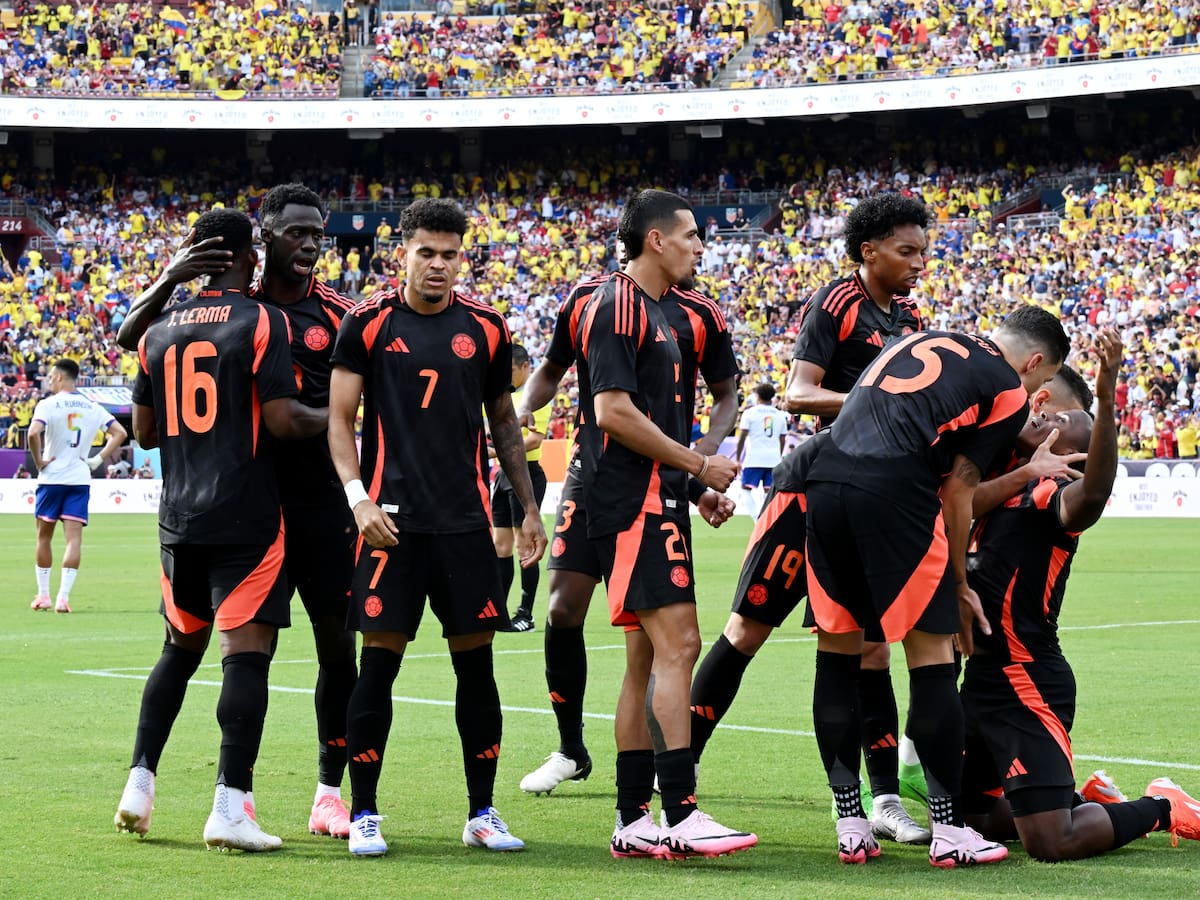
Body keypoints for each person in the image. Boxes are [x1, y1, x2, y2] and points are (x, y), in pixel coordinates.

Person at [117, 184, 361, 841]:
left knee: (336, 650)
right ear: (263, 241)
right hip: (254, 514)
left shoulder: (340, 315)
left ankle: (327, 794)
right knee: (244, 656)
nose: (310, 244)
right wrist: (342, 419)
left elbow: (142, 394)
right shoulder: (250, 315)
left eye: (319, 234)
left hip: (316, 510)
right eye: (296, 233)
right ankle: (234, 802)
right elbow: (279, 418)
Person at [693, 194, 933, 846]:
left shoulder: (910, 316)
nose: (919, 262)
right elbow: (798, 392)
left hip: (874, 499)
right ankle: (679, 774)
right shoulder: (836, 303)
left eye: (922, 250)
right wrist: (878, 402)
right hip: (809, 489)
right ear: (868, 252)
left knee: (875, 649)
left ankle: (884, 799)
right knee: (745, 632)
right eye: (907, 251)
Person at [804, 305, 1069, 868]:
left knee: (837, 657)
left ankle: (851, 825)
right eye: (1041, 381)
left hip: (824, 483)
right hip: (897, 496)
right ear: (1034, 363)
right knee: (932, 662)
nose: (1034, 394)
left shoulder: (923, 339)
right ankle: (950, 831)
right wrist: (958, 582)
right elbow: (957, 491)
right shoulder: (1007, 387)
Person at [327, 198, 548, 858]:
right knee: (378, 667)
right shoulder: (368, 322)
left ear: (462, 259)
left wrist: (529, 508)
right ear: (404, 253)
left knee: (476, 670)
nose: (439, 265)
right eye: (427, 252)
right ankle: (364, 813)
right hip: (389, 527)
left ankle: (482, 812)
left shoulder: (486, 326)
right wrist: (358, 500)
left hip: (465, 527)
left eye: (450, 255)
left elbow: (503, 422)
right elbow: (339, 420)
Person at [962, 329, 1200, 859]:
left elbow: (1094, 491)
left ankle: (1162, 806)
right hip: (980, 678)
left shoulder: (1055, 496)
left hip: (1026, 678)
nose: (1048, 417)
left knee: (1051, 841)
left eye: (1065, 420)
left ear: (1073, 453)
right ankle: (1081, 800)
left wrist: (1107, 393)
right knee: (970, 820)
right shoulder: (1004, 478)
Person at [517, 252, 739, 797]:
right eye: (688, 237)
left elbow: (726, 394)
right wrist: (521, 410)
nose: (697, 250)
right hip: (590, 472)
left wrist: (702, 462)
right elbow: (551, 369)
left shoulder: (701, 313)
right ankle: (571, 748)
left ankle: (657, 773)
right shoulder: (591, 299)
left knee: (650, 642)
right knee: (561, 607)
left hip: (659, 480)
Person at [578, 189, 754, 859]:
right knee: (681, 644)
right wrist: (698, 465)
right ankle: (680, 813)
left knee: (646, 658)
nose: (700, 248)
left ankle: (633, 820)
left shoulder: (659, 309)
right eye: (691, 236)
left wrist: (689, 484)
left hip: (655, 496)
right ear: (657, 240)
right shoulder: (618, 304)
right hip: (632, 503)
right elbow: (613, 412)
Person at [27, 358, 127, 613]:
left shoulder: (48, 404)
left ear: (60, 377)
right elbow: (120, 433)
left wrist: (38, 462)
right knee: (73, 541)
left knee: (44, 537)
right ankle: (63, 598)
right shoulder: (92, 406)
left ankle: (44, 595)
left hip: (52, 478)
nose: (49, 381)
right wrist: (98, 459)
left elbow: (33, 433)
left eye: (51, 377)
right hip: (79, 479)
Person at [490, 342, 548, 633]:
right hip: (504, 475)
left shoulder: (536, 396)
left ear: (526, 367)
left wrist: (497, 450)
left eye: (511, 369)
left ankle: (526, 613)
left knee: (524, 544)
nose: (507, 374)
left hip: (527, 475)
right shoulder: (503, 394)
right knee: (500, 544)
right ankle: (499, 612)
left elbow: (536, 439)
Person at [734, 382, 789, 517]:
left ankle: (756, 519)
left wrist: (738, 459)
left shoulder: (749, 413)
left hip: (754, 458)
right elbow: (782, 439)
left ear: (757, 396)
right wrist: (778, 455)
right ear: (772, 396)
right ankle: (766, 520)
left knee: (745, 489)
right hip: (773, 460)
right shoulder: (780, 415)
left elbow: (742, 437)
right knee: (769, 492)